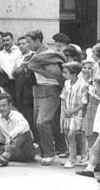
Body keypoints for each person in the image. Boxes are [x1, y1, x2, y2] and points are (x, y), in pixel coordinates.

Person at [26, 29, 66, 165]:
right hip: (37, 90)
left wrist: (34, 67)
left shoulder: (49, 54)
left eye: (29, 42)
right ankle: (49, 151)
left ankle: (50, 154)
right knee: (42, 124)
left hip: (50, 90)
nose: (27, 45)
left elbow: (56, 74)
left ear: (38, 41)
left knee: (42, 122)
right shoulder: (35, 55)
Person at [60, 62, 88, 168]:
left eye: (65, 72)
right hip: (67, 115)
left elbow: (83, 103)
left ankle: (76, 158)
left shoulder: (83, 85)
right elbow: (63, 97)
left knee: (76, 135)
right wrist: (65, 110)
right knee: (68, 135)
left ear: (74, 74)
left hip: (77, 115)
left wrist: (72, 111)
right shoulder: (67, 83)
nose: (63, 75)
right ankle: (72, 157)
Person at [0, 32, 22, 102]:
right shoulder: (0, 54)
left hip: (17, 82)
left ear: (12, 40)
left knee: (18, 103)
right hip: (5, 83)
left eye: (7, 40)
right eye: (3, 41)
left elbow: (20, 66)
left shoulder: (19, 52)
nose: (5, 42)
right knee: (8, 102)